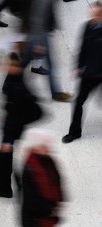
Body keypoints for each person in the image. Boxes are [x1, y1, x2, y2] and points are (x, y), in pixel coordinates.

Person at [0, 129, 65, 227]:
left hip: (40, 217)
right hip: (35, 219)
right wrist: (51, 210)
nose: (47, 148)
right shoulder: (31, 170)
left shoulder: (47, 160)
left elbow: (57, 180)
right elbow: (32, 199)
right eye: (43, 146)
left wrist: (60, 200)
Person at [0, 53, 43, 198]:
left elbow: (16, 115)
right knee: (6, 159)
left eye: (11, 65)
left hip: (12, 128)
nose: (7, 66)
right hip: (10, 124)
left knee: (5, 159)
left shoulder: (18, 88)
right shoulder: (14, 77)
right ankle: (8, 187)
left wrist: (8, 140)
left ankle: (8, 188)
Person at [62, 1, 102, 143]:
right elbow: (82, 49)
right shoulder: (87, 27)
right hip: (90, 74)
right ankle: (74, 132)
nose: (95, 17)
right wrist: (78, 67)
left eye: (98, 14)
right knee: (79, 102)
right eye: (93, 14)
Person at [20, 0, 72, 102]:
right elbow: (37, 17)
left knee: (23, 61)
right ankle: (56, 93)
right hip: (39, 35)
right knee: (50, 65)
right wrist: (39, 41)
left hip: (35, 33)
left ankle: (8, 84)